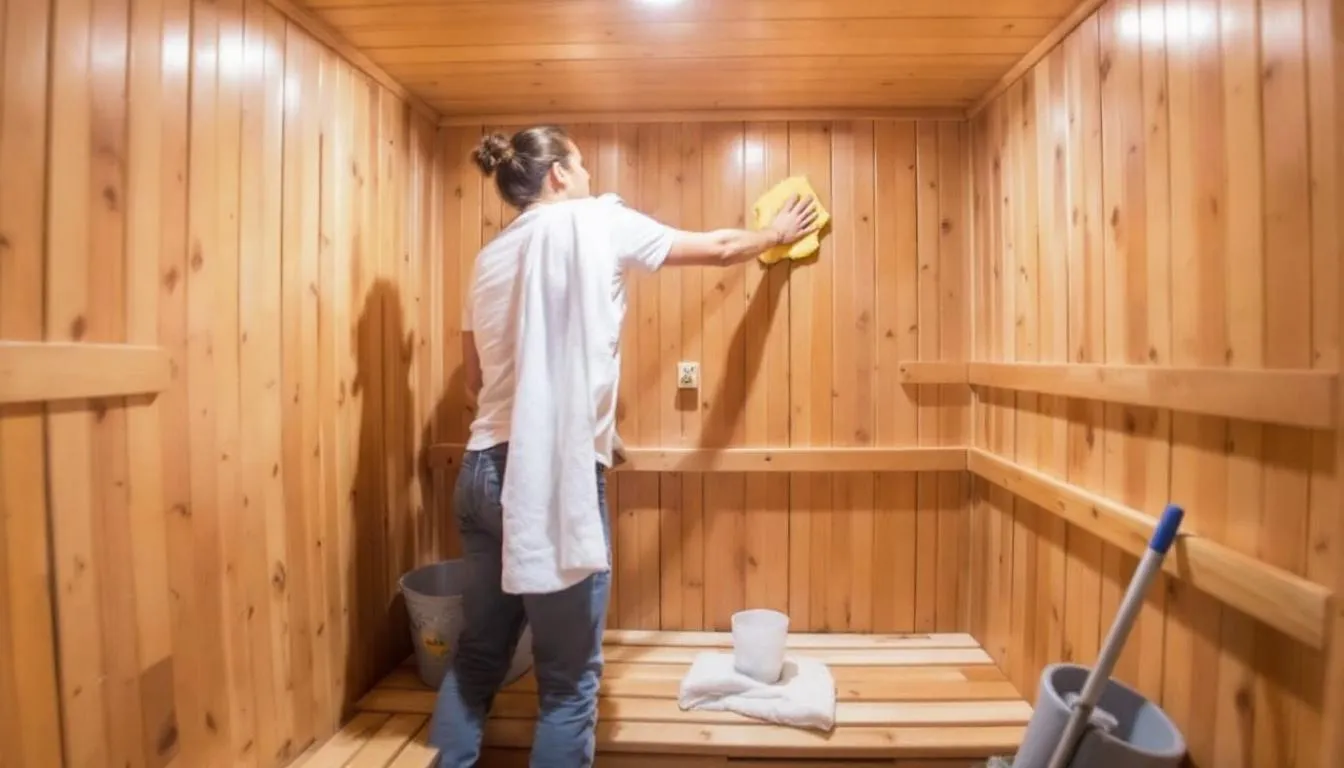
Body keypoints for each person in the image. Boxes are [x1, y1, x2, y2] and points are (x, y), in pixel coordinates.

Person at [430, 125, 819, 767]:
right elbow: (720, 248)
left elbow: (475, 381)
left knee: (477, 658)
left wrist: (590, 428)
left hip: (478, 474)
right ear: (558, 174)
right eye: (580, 165)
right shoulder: (594, 221)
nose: (588, 177)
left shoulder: (490, 257)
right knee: (567, 684)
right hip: (547, 482)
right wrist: (775, 234)